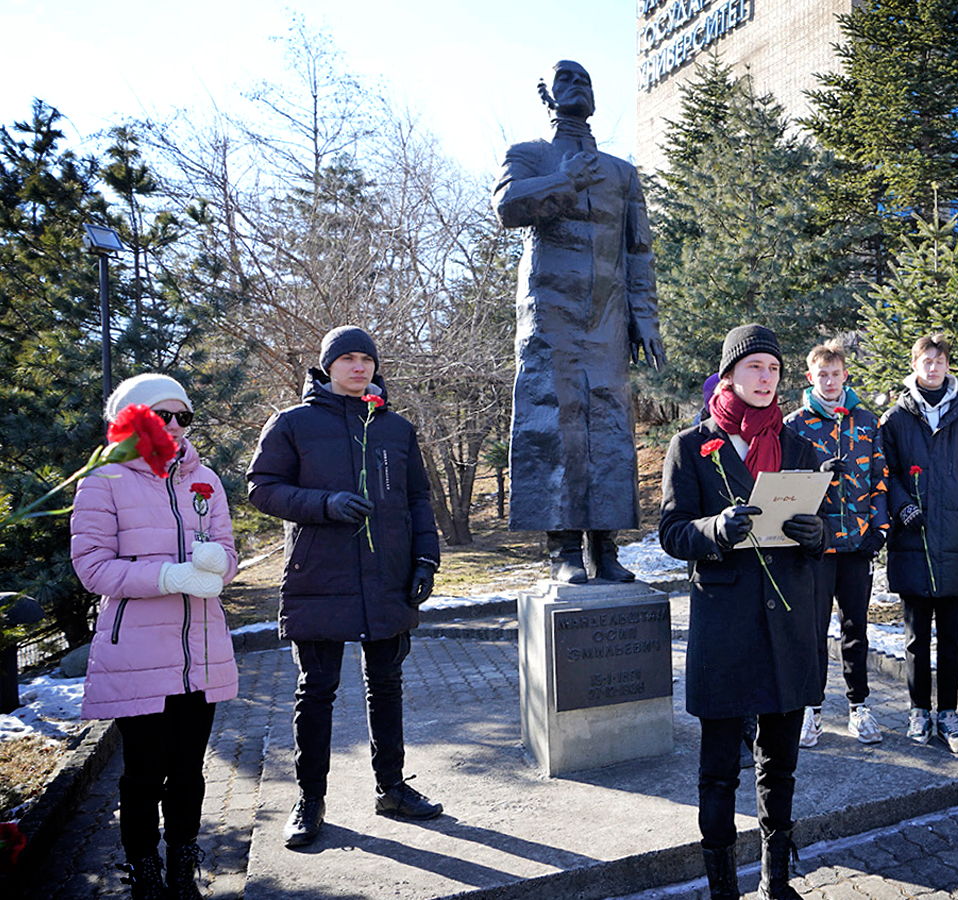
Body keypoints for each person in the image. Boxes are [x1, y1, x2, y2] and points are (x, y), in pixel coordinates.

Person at [247, 326, 444, 850]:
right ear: (327, 365)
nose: (359, 367)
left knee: (388, 686)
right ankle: (309, 800)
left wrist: (426, 558)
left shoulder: (395, 428)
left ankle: (393, 789)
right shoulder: (292, 424)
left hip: (388, 577)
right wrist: (324, 505)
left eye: (367, 359)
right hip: (320, 577)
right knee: (316, 692)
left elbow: (419, 499)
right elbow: (261, 488)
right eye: (348, 358)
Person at [660, 324, 828, 900]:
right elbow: (671, 532)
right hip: (726, 625)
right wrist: (714, 529)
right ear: (729, 374)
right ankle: (722, 888)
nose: (765, 378)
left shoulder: (802, 446)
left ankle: (776, 882)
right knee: (718, 770)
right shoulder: (691, 445)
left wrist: (816, 532)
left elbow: (815, 530)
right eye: (754, 367)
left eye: (774, 369)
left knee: (778, 765)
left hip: (786, 625)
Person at [493, 59, 664, 585]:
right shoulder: (530, 156)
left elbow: (638, 251)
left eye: (586, 79)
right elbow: (506, 206)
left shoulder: (620, 172)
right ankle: (564, 547)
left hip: (608, 317)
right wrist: (563, 181)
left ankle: (606, 547)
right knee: (558, 423)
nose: (578, 87)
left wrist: (645, 319)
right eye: (566, 79)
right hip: (550, 315)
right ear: (548, 94)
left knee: (611, 426)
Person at [72, 375, 238, 900]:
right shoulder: (103, 481)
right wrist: (166, 576)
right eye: (159, 415)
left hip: (201, 651)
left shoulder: (204, 478)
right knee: (144, 773)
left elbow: (227, 553)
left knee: (189, 771)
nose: (173, 426)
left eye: (182, 417)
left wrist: (218, 564)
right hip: (138, 651)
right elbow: (93, 568)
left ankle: (183, 863)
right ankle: (145, 869)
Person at [879, 334, 958, 755]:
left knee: (951, 635)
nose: (933, 367)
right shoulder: (895, 419)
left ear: (947, 365)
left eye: (940, 360)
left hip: (955, 537)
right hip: (913, 538)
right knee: (915, 637)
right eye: (926, 360)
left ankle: (948, 712)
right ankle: (918, 710)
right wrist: (902, 506)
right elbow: (884, 473)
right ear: (915, 365)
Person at [784, 339, 889, 746]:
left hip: (858, 545)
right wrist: (817, 473)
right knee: (812, 630)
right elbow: (786, 487)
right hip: (816, 547)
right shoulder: (795, 424)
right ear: (810, 379)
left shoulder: (866, 422)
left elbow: (880, 477)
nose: (829, 381)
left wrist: (879, 529)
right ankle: (811, 711)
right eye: (821, 375)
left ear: (845, 374)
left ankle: (858, 707)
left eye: (835, 373)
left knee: (855, 629)